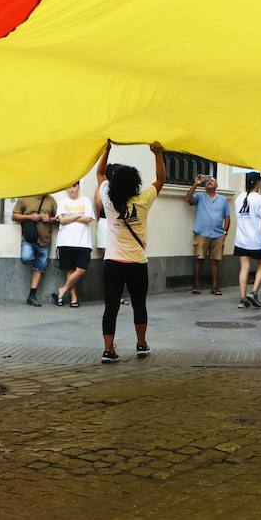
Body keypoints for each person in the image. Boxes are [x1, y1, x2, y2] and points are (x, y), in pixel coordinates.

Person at [97, 141, 165, 363]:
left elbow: (99, 173)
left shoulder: (108, 199)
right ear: (135, 185)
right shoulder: (143, 201)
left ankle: (108, 350)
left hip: (113, 263)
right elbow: (161, 179)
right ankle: (141, 344)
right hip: (137, 263)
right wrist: (158, 154)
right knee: (139, 304)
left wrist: (106, 150)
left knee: (111, 308)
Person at [184, 174, 230, 295]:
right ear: (204, 185)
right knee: (199, 259)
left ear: (217, 185)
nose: (210, 182)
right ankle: (197, 285)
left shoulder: (223, 199)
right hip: (201, 233)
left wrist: (225, 233)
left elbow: (227, 217)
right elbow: (188, 199)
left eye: (213, 181)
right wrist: (195, 184)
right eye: (208, 181)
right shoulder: (200, 196)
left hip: (218, 234)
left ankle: (215, 286)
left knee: (215, 260)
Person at [52, 182, 94, 307]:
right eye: (69, 186)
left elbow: (88, 219)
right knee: (70, 270)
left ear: (78, 187)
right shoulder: (62, 202)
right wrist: (79, 215)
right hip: (66, 242)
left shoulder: (85, 200)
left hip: (83, 242)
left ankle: (63, 290)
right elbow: (62, 220)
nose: (72, 189)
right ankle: (74, 298)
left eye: (74, 186)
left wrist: (69, 216)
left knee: (81, 269)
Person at [12, 192, 57, 306]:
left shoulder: (51, 200)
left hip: (45, 240)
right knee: (26, 258)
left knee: (40, 267)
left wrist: (50, 219)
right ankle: (36, 267)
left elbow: (58, 219)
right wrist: (30, 217)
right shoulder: (25, 197)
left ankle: (32, 296)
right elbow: (14, 216)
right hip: (29, 238)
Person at [233, 173, 261, 309]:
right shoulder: (260, 199)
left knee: (244, 267)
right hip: (256, 240)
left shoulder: (239, 198)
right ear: (257, 183)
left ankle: (242, 299)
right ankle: (254, 292)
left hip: (241, 240)